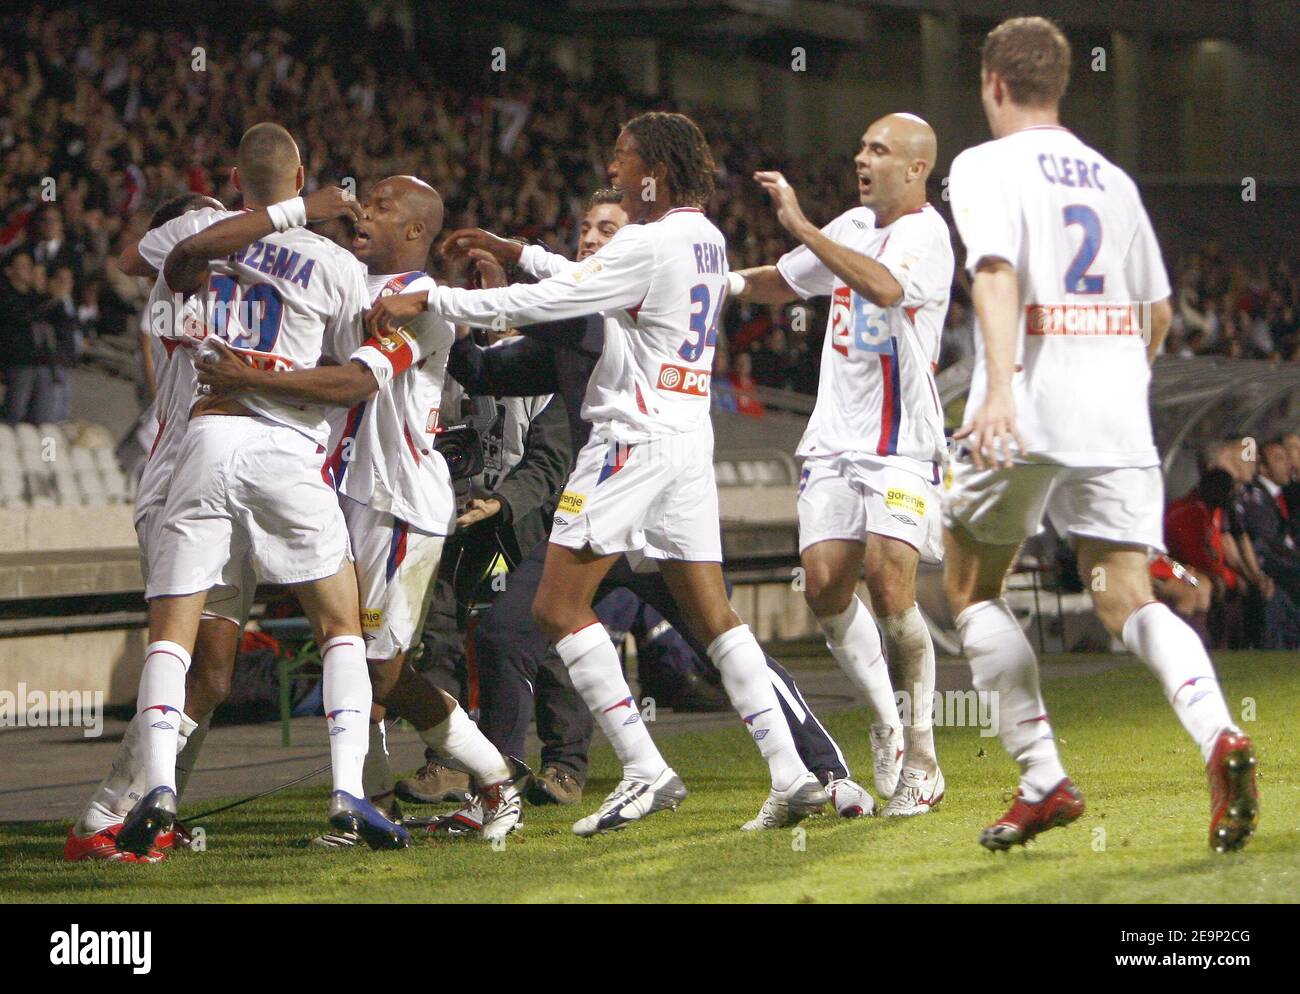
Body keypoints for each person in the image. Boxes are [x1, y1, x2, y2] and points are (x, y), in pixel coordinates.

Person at [367, 112, 834, 835]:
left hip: (629, 440)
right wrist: (517, 248)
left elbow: (549, 302)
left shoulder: (648, 242)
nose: (614, 168)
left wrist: (434, 299)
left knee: (555, 610)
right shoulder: (705, 238)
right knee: (713, 615)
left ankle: (645, 770)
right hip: (684, 437)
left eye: (623, 158)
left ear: (656, 171)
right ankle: (791, 773)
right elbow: (586, 281)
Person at [943, 16, 1257, 853]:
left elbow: (996, 272)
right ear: (1061, 84)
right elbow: (1157, 315)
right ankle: (1220, 733)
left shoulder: (982, 165)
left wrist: (1003, 387)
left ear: (993, 84)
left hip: (1031, 399)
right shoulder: (1114, 179)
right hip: (1119, 404)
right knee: (1128, 596)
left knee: (972, 585)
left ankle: (1043, 776)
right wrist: (1116, 378)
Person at [193, 175, 537, 844]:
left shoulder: (425, 312)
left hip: (398, 503)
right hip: (337, 491)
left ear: (412, 232)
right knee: (345, 654)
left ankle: (496, 781)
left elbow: (352, 381)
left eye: (380, 205)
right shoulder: (350, 285)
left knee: (379, 669)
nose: (363, 209)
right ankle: (370, 808)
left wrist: (246, 380)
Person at [113, 123, 409, 856]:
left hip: (203, 443)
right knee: (340, 624)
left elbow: (149, 258)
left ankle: (157, 789)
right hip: (284, 450)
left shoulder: (198, 230)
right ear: (302, 173)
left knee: (172, 635)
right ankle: (346, 794)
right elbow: (348, 373)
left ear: (235, 177)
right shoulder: (336, 264)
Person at [730, 112, 953, 815]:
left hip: (901, 444)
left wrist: (800, 225)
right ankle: (886, 721)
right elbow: (783, 283)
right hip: (832, 439)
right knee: (825, 586)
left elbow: (885, 288)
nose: (863, 157)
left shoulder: (928, 234)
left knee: (890, 584)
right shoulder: (851, 226)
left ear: (916, 169)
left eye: (879, 150)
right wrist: (713, 283)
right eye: (860, 145)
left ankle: (923, 756)